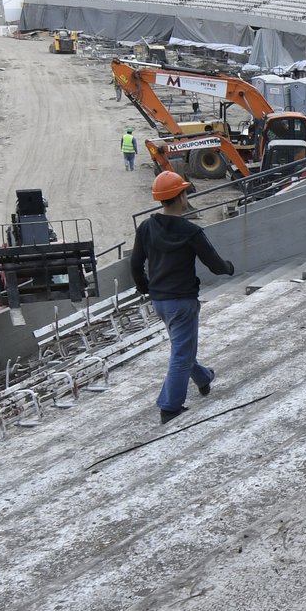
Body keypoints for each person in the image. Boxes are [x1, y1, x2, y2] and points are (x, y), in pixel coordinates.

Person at [132, 170, 235, 423]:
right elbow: (215, 264)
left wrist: (146, 288)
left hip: (160, 302)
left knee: (182, 348)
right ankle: (170, 407)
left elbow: (135, 264)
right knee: (180, 353)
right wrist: (229, 267)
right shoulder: (190, 231)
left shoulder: (146, 227)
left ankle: (203, 378)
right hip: (182, 302)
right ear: (181, 197)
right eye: (185, 192)